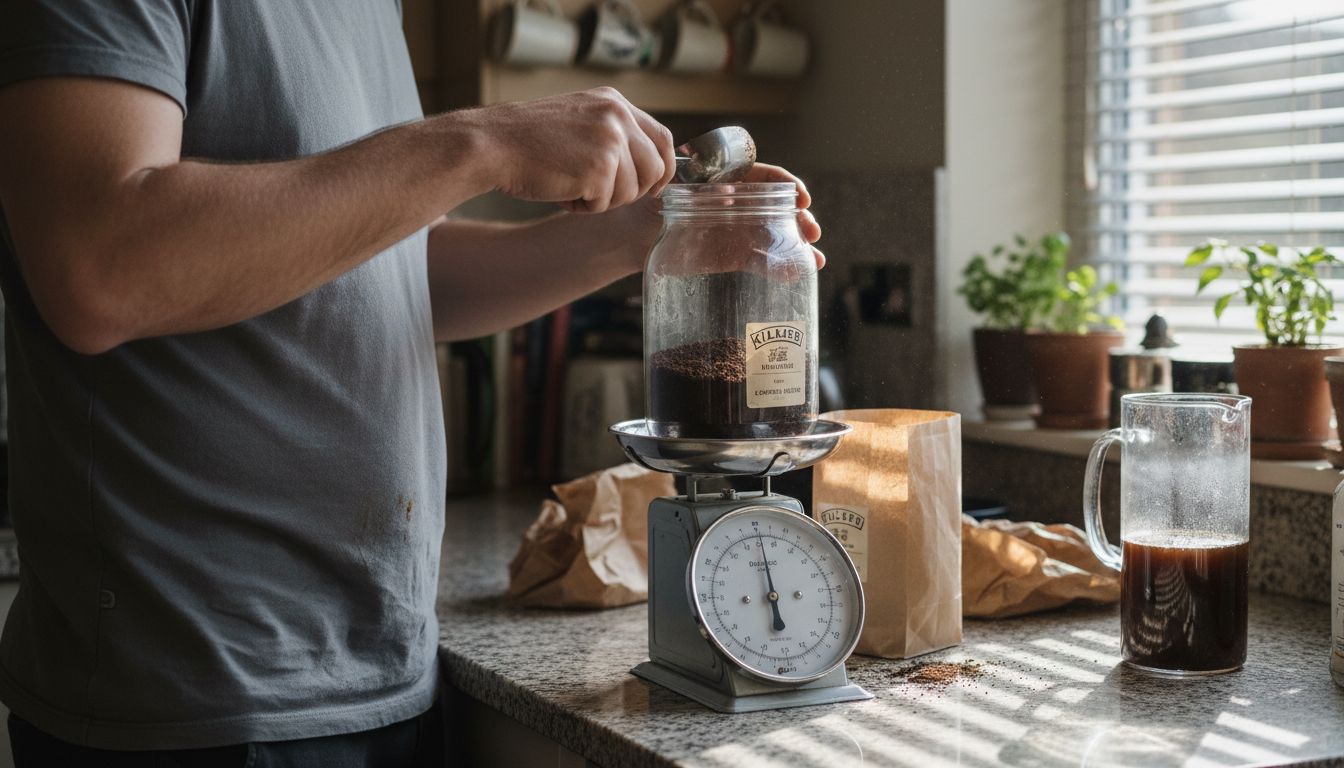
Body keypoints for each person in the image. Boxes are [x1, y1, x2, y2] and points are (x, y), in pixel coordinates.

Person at [0, 1, 822, 765]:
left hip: (388, 663)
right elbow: (99, 266)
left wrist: (641, 233)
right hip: (196, 695)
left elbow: (390, 273)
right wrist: (480, 144)